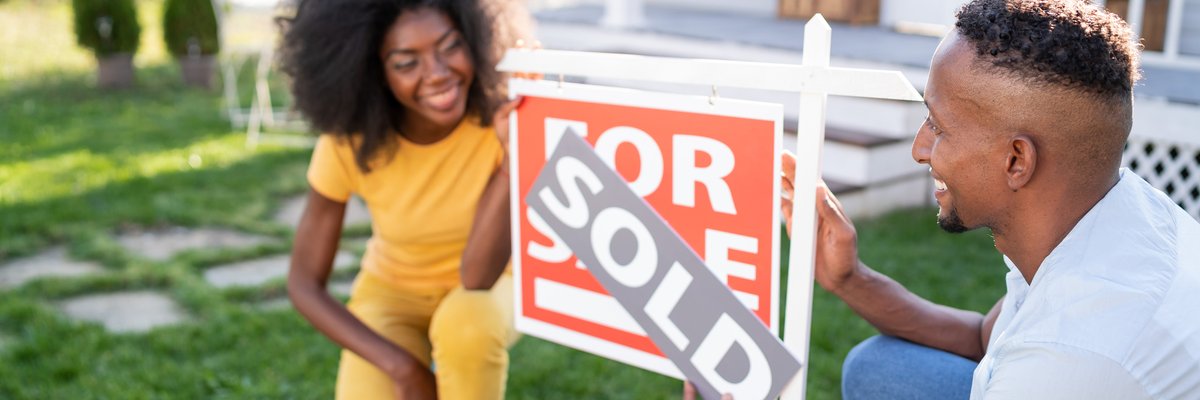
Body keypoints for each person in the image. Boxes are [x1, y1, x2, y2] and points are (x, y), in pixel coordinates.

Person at [779, 0, 1200, 398]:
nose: (919, 149)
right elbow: (984, 337)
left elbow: (1052, 358)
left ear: (1017, 160)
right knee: (880, 367)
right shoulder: (1105, 213)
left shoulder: (1069, 358)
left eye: (938, 127)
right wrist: (848, 278)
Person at [278, 0, 532, 398]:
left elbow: (478, 277)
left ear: (477, 38)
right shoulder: (350, 142)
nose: (437, 74)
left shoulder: (504, 117)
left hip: (495, 282)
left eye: (450, 46)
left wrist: (513, 160)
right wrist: (405, 369)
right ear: (373, 73)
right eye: (405, 63)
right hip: (393, 291)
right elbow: (304, 284)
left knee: (467, 324)